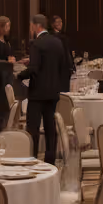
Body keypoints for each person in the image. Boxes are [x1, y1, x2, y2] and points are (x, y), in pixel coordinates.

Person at [18, 14, 63, 164]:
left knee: (33, 128)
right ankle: (50, 161)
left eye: (31, 26)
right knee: (50, 127)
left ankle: (33, 159)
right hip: (53, 91)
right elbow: (60, 65)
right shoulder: (57, 42)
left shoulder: (36, 44)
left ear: (37, 26)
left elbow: (34, 69)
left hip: (38, 93)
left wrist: (19, 75)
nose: (30, 29)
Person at [51, 15, 75, 89]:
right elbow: (67, 54)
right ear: (52, 24)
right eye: (57, 22)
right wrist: (71, 66)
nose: (60, 24)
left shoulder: (62, 36)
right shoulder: (60, 37)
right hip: (62, 67)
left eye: (61, 22)